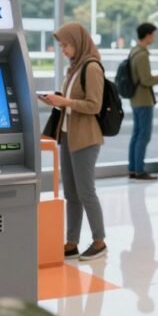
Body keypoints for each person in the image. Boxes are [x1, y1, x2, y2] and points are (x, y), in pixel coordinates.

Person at [40, 23, 109, 262]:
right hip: (69, 135)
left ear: (77, 42)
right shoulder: (74, 69)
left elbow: (94, 105)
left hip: (86, 138)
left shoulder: (91, 67)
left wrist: (65, 102)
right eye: (61, 46)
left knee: (86, 191)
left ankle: (99, 241)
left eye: (66, 45)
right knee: (71, 193)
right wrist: (57, 101)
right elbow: (70, 102)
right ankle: (72, 242)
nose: (63, 50)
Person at [128, 22, 158, 181]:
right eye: (153, 34)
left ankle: (133, 168)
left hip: (134, 98)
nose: (154, 37)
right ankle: (139, 170)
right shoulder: (143, 54)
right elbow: (145, 80)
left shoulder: (134, 51)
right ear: (148, 35)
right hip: (143, 99)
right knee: (143, 135)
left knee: (136, 134)